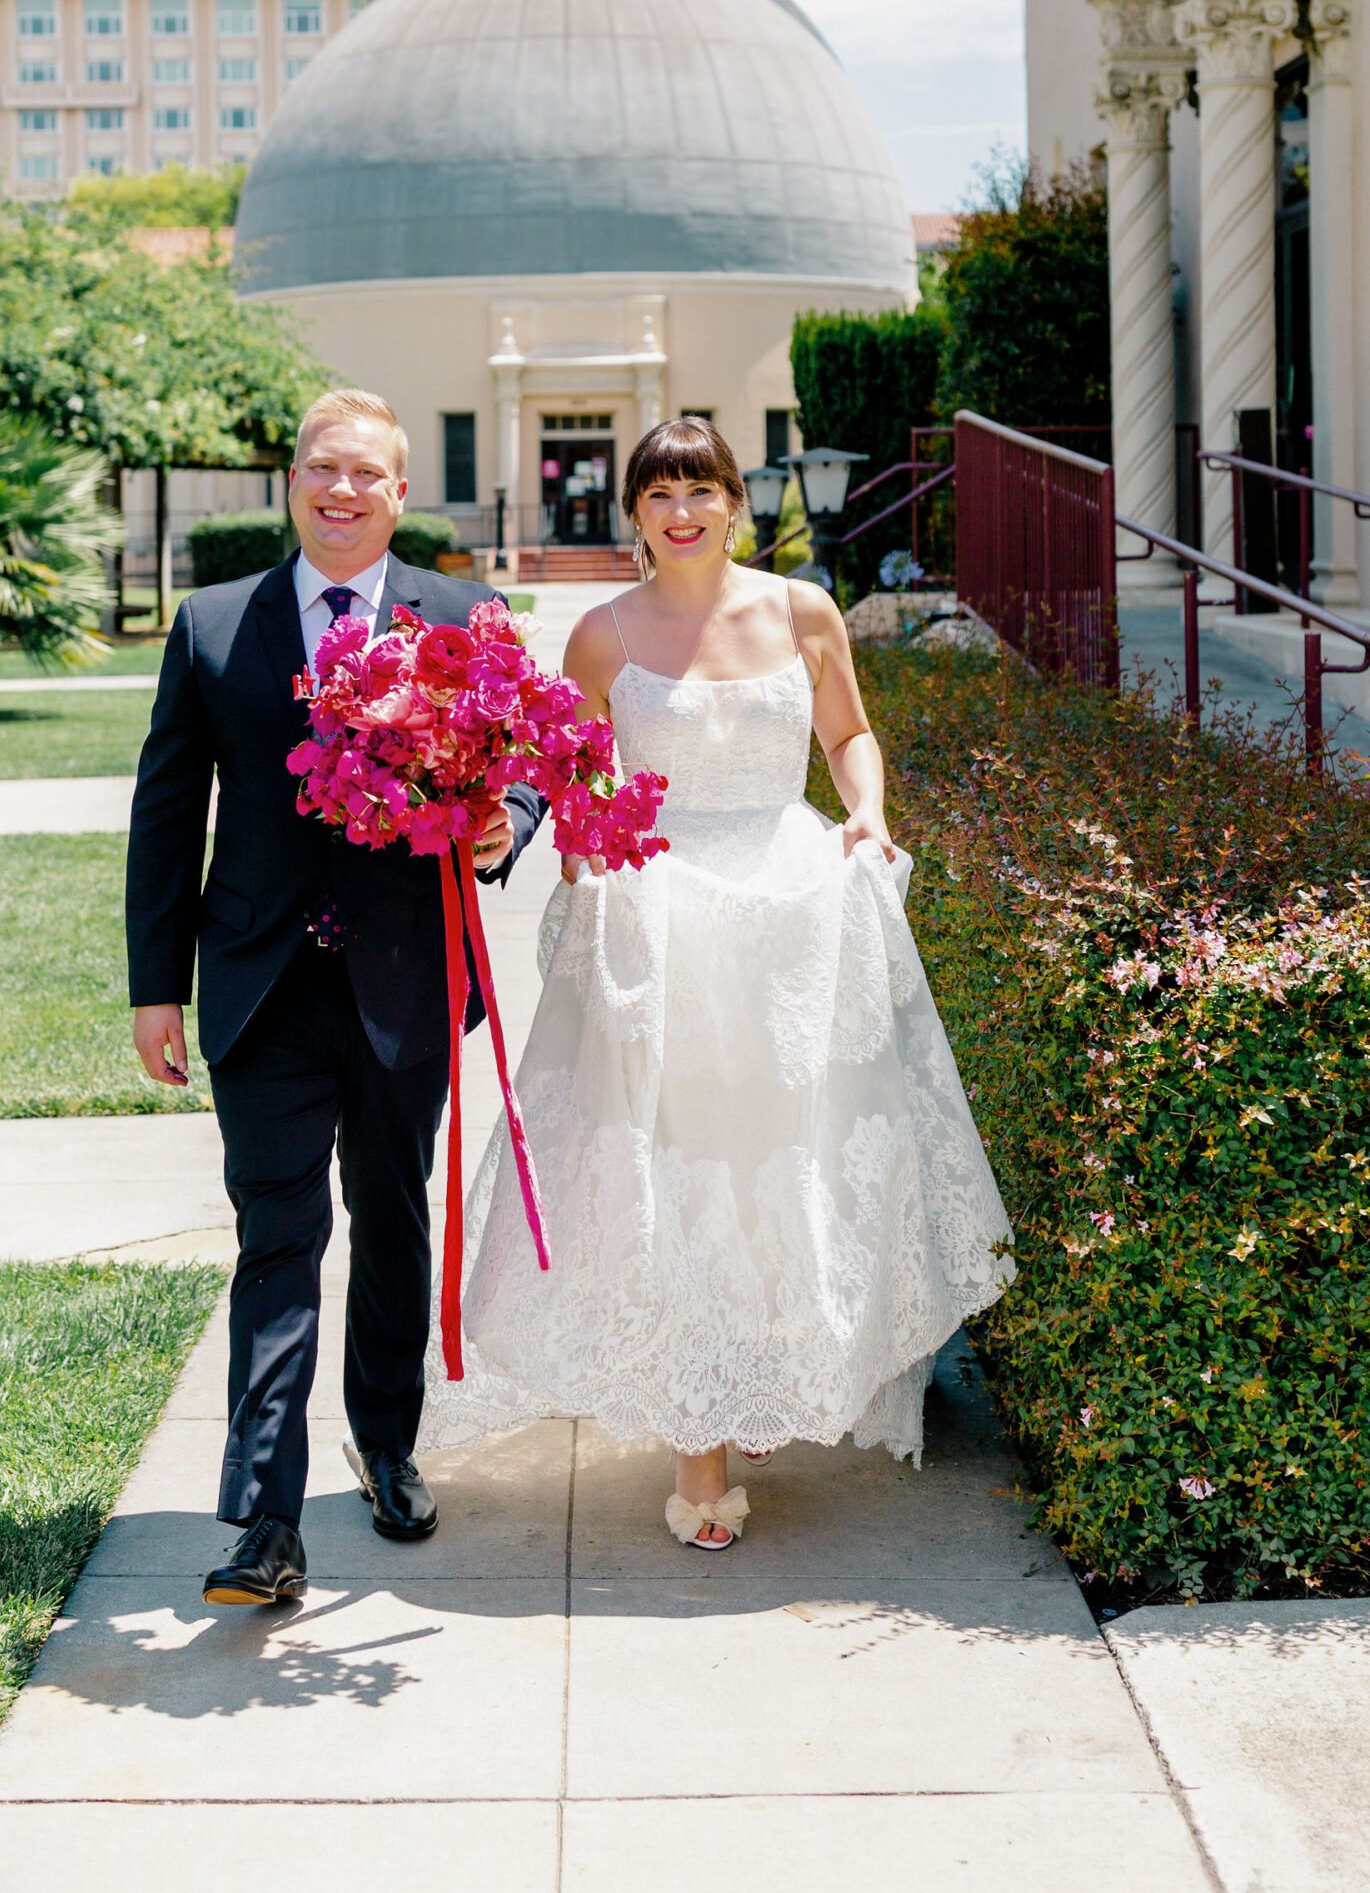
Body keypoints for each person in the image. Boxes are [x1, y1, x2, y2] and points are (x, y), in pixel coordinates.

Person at [422, 417, 1011, 1548]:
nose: (680, 508)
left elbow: (847, 736)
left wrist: (867, 812)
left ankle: (765, 1372)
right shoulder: (598, 634)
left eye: (701, 487)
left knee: (780, 1152)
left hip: (789, 906)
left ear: (734, 500)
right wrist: (585, 842)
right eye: (659, 492)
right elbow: (571, 771)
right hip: (661, 912)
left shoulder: (801, 611)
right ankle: (697, 1450)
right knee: (669, 1160)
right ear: (633, 512)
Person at [127, 388, 546, 1607]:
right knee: (277, 1237)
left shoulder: (460, 616)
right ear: (292, 479)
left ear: (400, 493)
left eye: (367, 472)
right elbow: (168, 811)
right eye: (323, 467)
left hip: (404, 979)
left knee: (391, 1217)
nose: (342, 489)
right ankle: (262, 1519)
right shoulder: (213, 624)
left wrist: (495, 831)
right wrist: (157, 985)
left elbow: (516, 766)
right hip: (258, 984)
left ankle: (389, 1440)